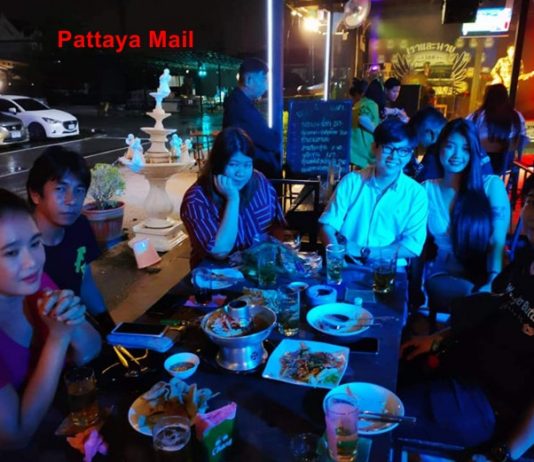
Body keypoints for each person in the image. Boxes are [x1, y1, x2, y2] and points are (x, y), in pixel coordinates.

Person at [397, 174, 534, 461]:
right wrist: (438, 338)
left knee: (377, 417)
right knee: (386, 369)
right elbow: (493, 313)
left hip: (491, 405)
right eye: (532, 201)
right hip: (462, 366)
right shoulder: (525, 262)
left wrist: (504, 453)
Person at [0, 188, 101, 450]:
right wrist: (58, 339)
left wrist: (70, 320)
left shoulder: (33, 285)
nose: (32, 262)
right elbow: (16, 437)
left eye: (35, 243)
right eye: (11, 253)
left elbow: (91, 348)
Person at [423, 118, 510, 311]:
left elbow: (497, 241)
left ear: (474, 153)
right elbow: (418, 243)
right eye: (450, 146)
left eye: (466, 149)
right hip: (443, 273)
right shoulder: (426, 190)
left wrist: (493, 279)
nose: (457, 155)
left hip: (486, 271)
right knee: (471, 297)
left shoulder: (491, 186)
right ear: (439, 148)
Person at [26, 146, 115, 334]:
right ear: (35, 194)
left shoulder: (80, 226)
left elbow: (84, 280)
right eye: (60, 189)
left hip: (72, 329)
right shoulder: (18, 246)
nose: (71, 200)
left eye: (79, 190)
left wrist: (107, 323)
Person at [319, 119, 428, 266]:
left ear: (409, 155)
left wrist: (364, 251)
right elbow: (328, 225)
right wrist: (336, 257)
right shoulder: (352, 181)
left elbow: (412, 247)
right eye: (388, 148)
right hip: (347, 263)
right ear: (374, 148)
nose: (394, 157)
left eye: (403, 151)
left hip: (389, 267)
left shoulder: (416, 194)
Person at [180, 127, 285, 268]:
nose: (241, 173)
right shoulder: (196, 200)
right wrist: (233, 200)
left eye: (247, 165)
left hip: (260, 269)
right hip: (216, 275)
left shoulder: (260, 182)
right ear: (218, 164)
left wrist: (275, 256)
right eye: (233, 164)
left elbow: (278, 225)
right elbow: (220, 251)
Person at [223, 57, 282, 179]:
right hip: (254, 176)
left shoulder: (239, 102)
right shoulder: (241, 108)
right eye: (264, 79)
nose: (266, 85)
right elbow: (271, 142)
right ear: (249, 80)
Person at [467, 83, 528, 176]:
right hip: (505, 165)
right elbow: (523, 139)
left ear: (487, 97)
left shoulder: (478, 116)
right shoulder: (516, 116)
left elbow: (465, 131)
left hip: (480, 162)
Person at [408, 106, 447, 182]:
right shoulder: (436, 153)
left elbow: (419, 183)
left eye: (416, 134)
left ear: (430, 134)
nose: (416, 142)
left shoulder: (433, 159)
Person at [349, 78, 380, 169]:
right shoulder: (370, 104)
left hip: (354, 152)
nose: (353, 100)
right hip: (364, 152)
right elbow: (362, 119)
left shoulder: (357, 105)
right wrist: (379, 132)